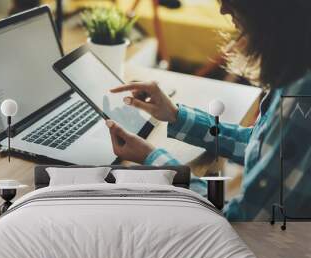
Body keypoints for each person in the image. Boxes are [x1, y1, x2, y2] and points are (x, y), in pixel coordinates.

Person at [106, 0, 311, 221]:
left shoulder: (302, 96)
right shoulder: (298, 72)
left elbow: (242, 222)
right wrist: (176, 115)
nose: (223, 9)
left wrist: (153, 159)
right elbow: (262, 144)